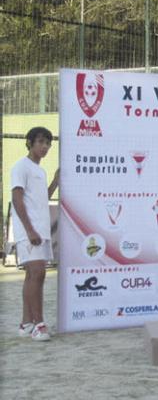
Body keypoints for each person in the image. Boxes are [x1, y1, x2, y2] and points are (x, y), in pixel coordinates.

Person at [11, 126, 58, 341]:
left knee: (35, 275)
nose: (45, 146)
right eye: (40, 142)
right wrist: (29, 229)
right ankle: (39, 324)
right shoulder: (21, 166)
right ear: (30, 142)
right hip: (29, 230)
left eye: (48, 143)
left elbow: (41, 197)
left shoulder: (40, 170)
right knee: (37, 273)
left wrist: (56, 181)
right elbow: (17, 199)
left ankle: (26, 323)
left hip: (42, 229)